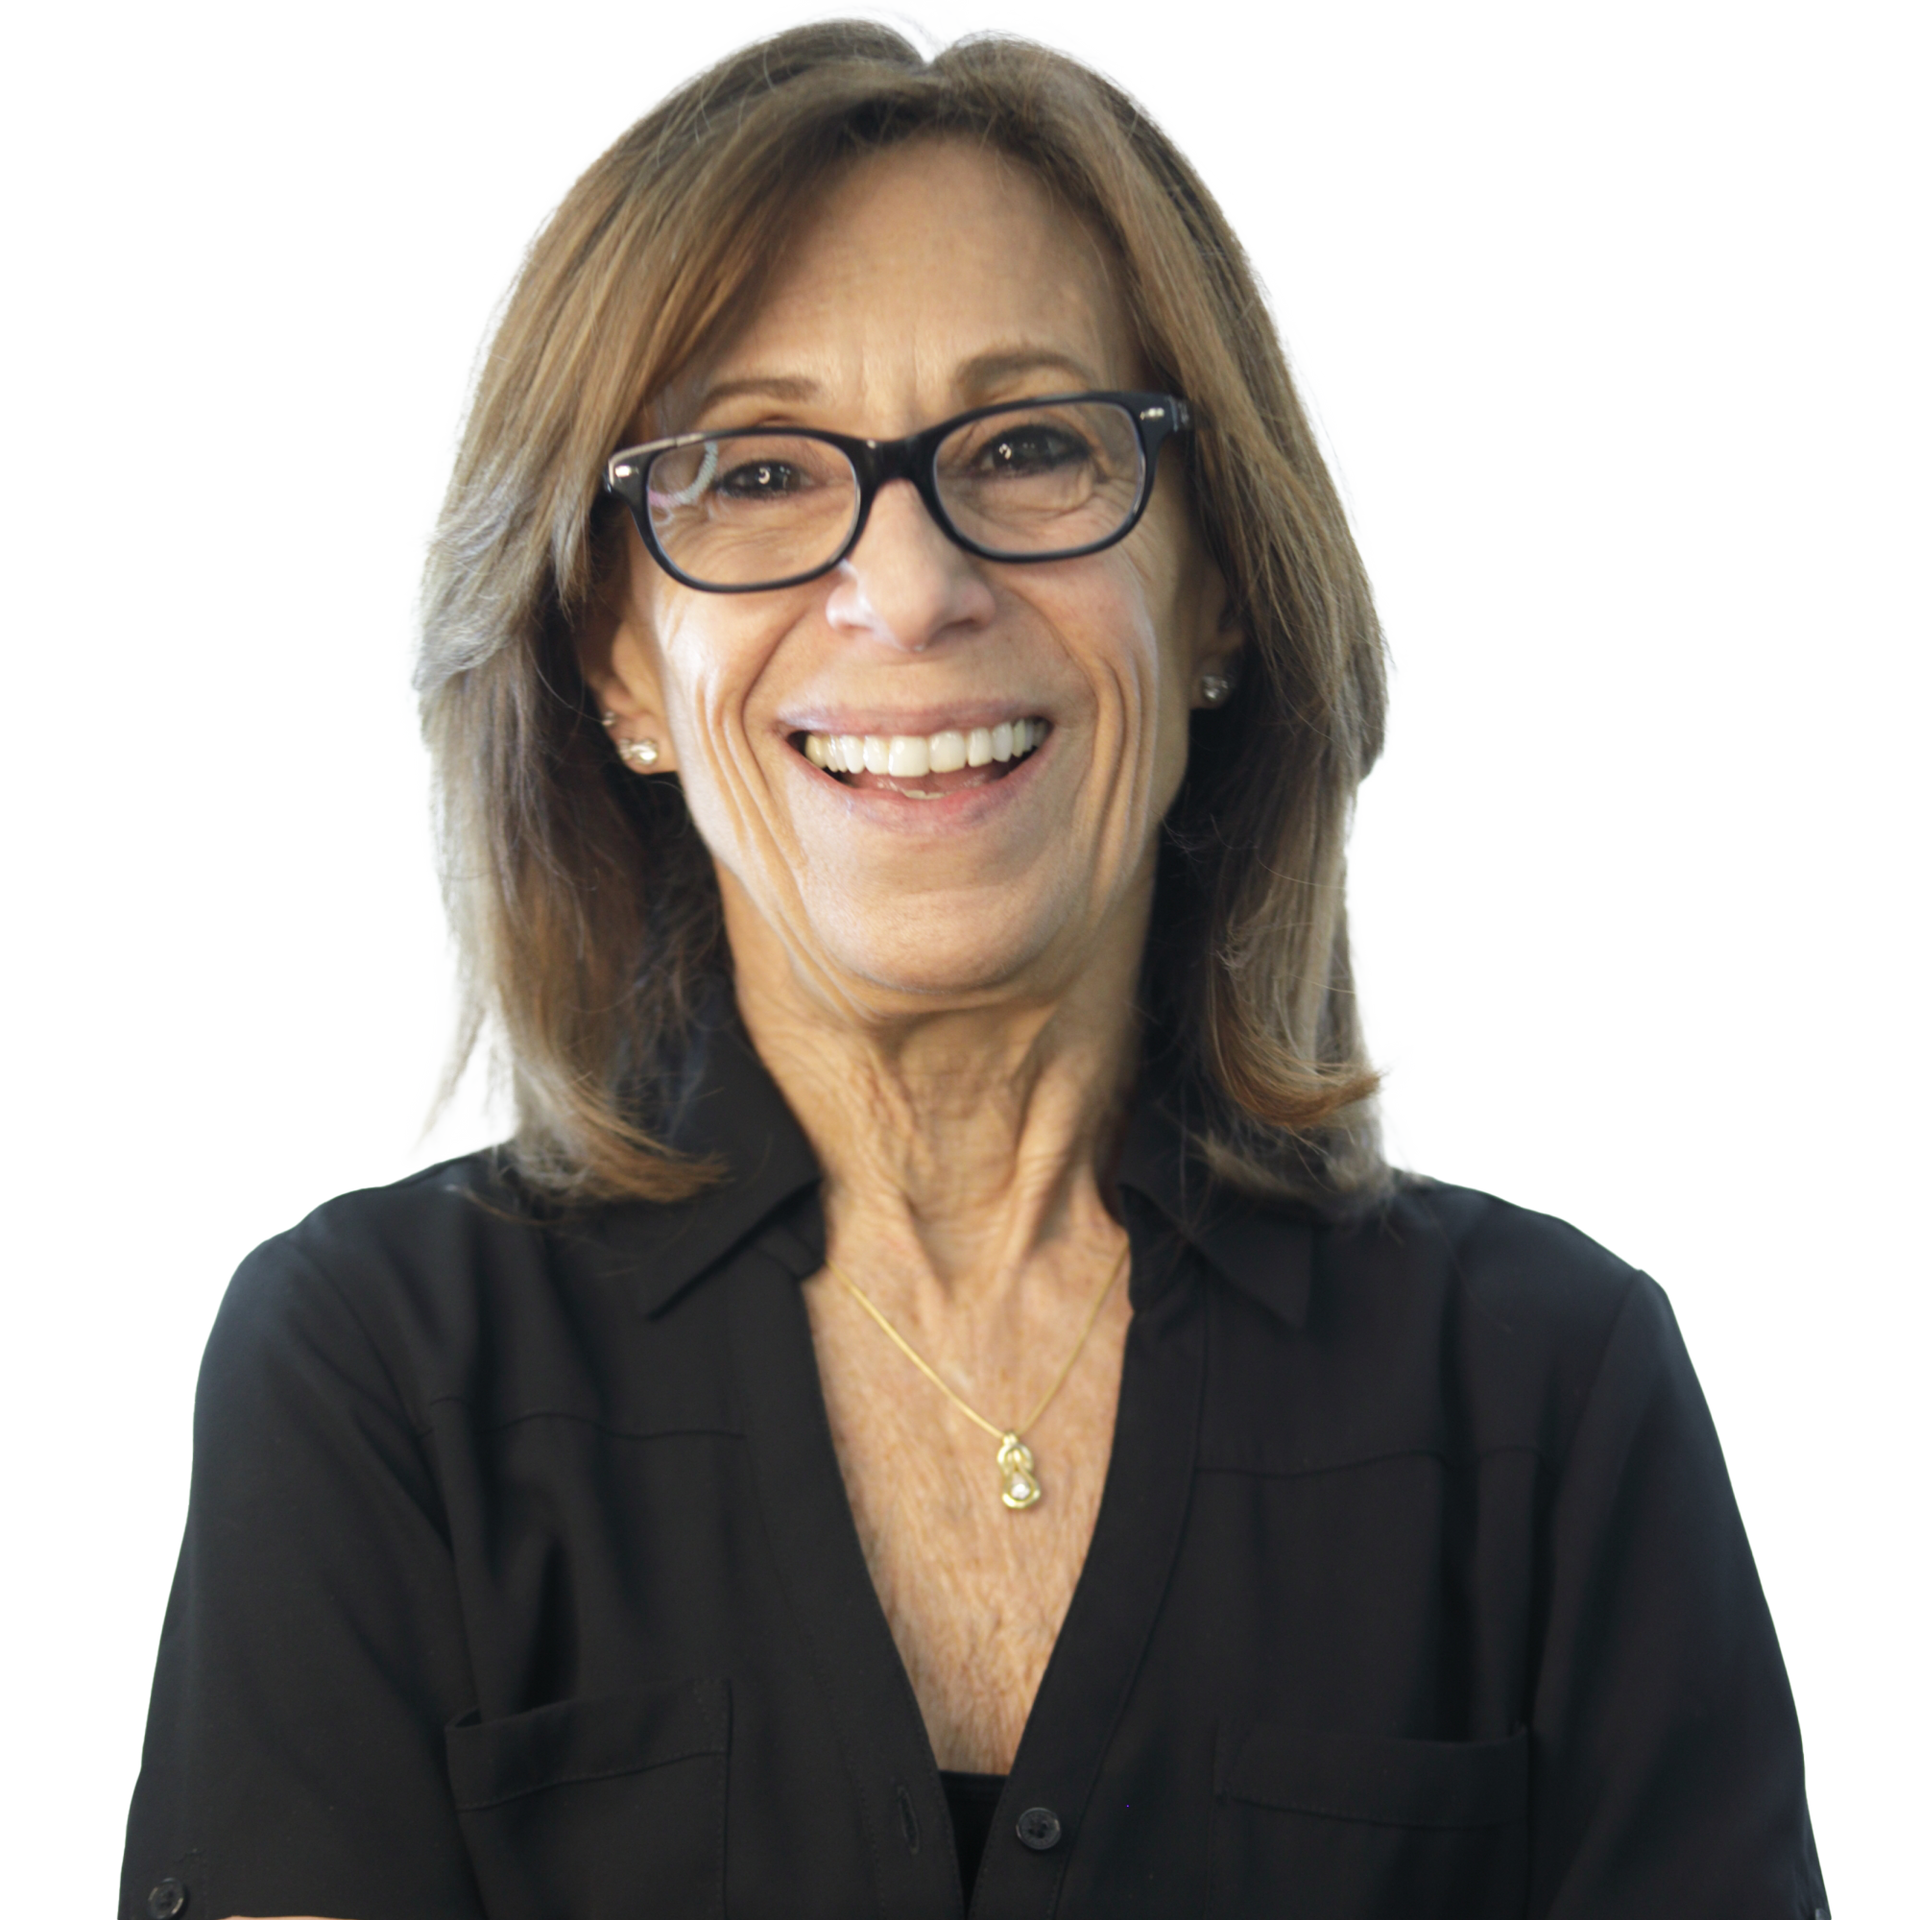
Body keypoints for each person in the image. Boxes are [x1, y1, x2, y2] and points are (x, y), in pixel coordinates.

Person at [118, 7, 1826, 1916]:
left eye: (1028, 448)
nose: (913, 589)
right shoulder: (375, 1372)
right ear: (614, 657)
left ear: (1220, 592)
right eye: (755, 474)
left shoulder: (1552, 1391)